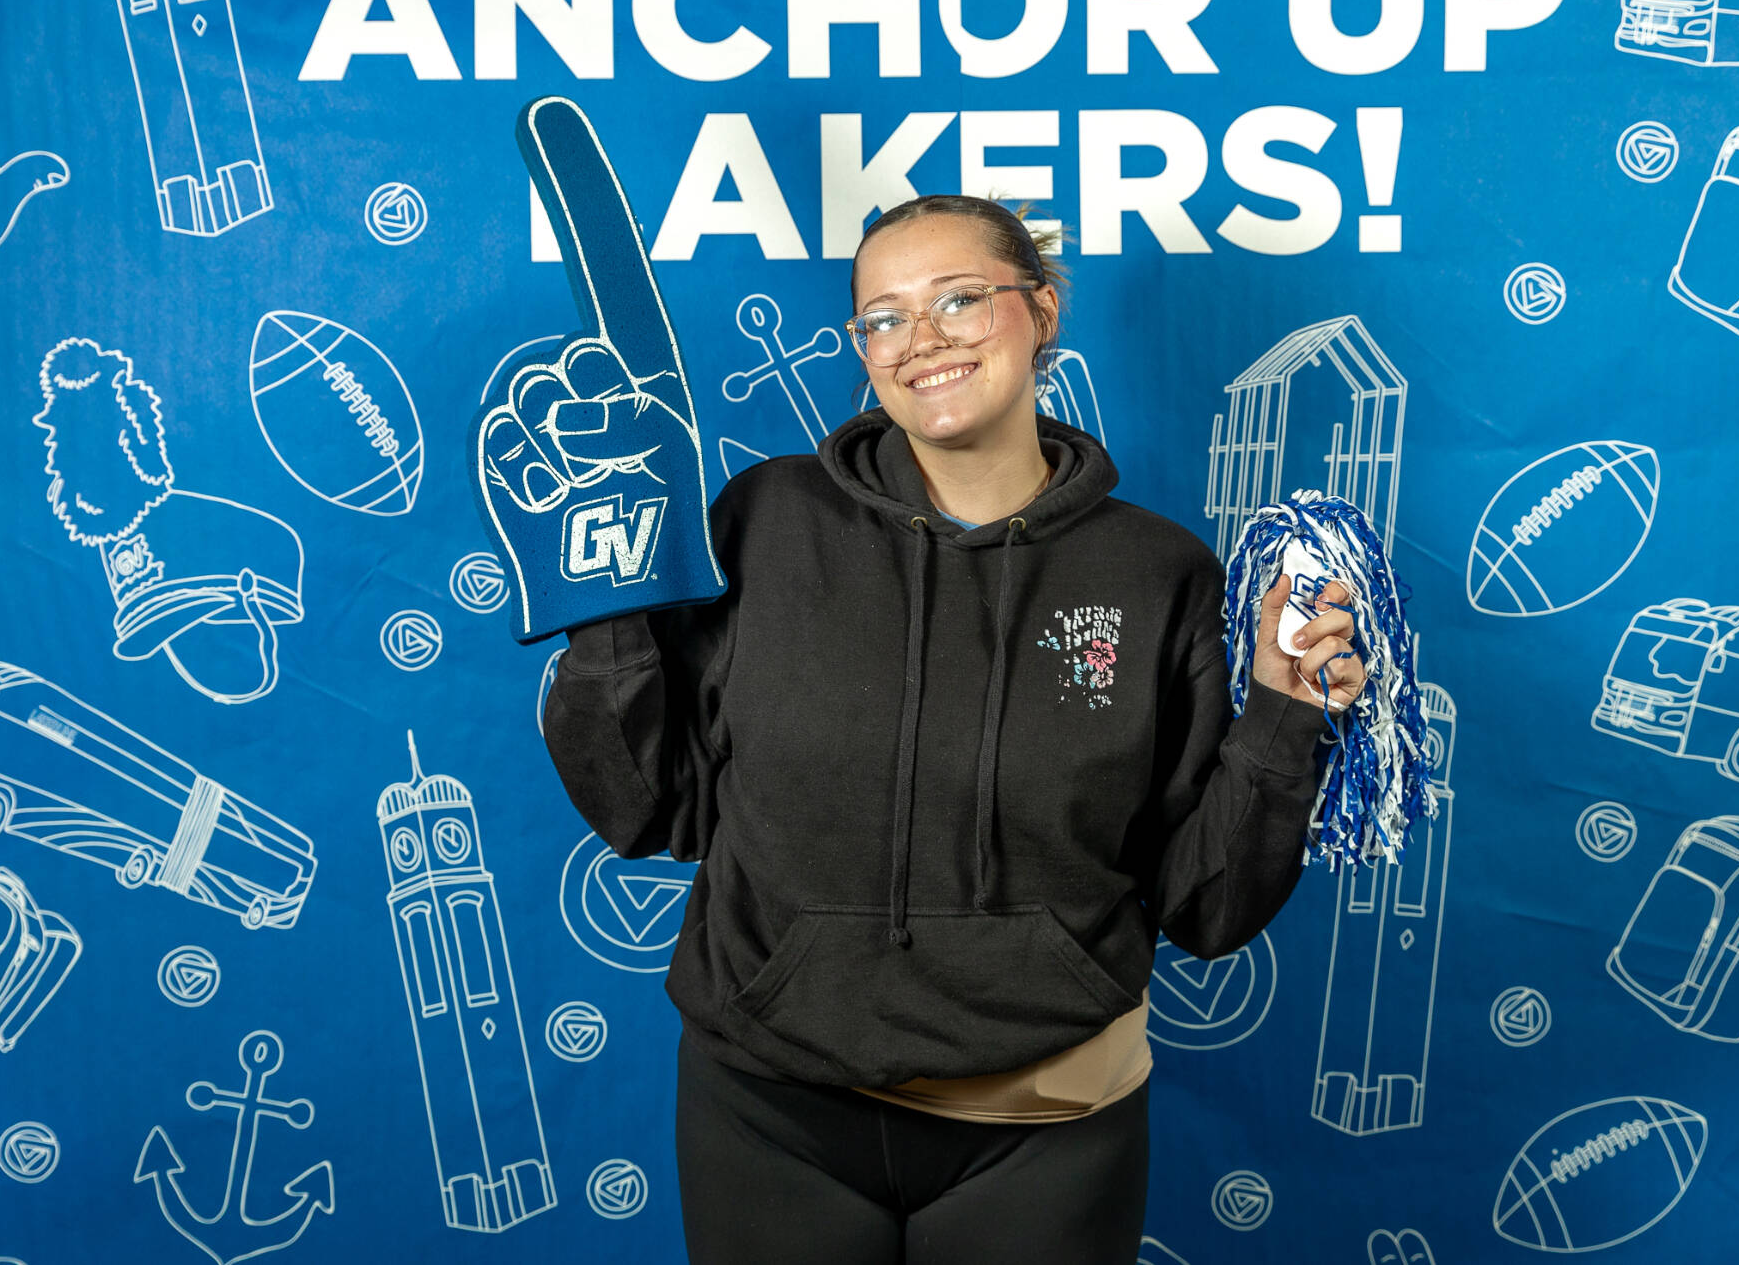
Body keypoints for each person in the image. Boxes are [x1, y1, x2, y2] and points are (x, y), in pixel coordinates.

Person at [542, 194, 1367, 1265]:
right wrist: (605, 608)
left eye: (959, 300)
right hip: (770, 1106)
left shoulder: (1154, 574)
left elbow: (1205, 907)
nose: (919, 340)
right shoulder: (766, 522)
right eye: (881, 318)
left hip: (1046, 1121)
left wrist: (1282, 718)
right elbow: (652, 806)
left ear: (1042, 312)